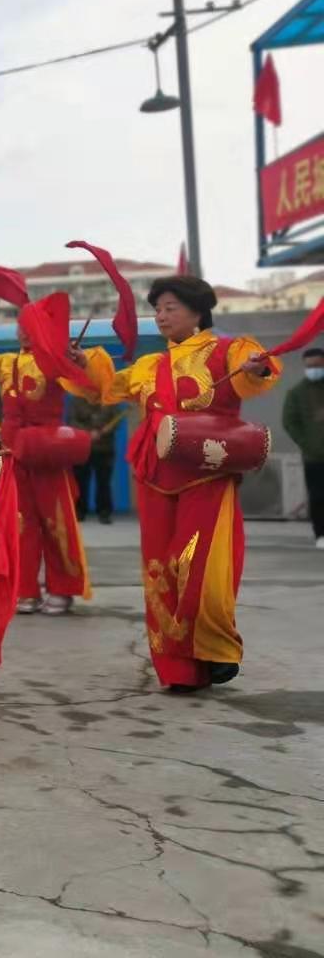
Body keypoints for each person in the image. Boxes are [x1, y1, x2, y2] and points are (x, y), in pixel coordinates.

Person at [77, 274, 278, 692]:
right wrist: (84, 364)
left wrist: (257, 366)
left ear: (197, 312)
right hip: (155, 470)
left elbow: (256, 369)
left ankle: (215, 649)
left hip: (207, 470)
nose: (161, 316)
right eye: (158, 309)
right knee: (159, 569)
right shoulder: (150, 365)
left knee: (202, 564)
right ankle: (178, 669)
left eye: (171, 308)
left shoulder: (225, 350)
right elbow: (107, 388)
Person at [0, 307, 94, 616]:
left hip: (47, 454)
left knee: (56, 524)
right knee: (19, 526)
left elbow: (85, 385)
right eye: (21, 325)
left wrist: (78, 361)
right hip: (14, 456)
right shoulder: (7, 363)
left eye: (32, 326)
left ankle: (63, 589)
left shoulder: (55, 362)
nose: (24, 331)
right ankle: (24, 590)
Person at [282, 347, 324, 550]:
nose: (313, 369)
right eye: (309, 366)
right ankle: (321, 534)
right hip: (314, 457)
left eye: (317, 365)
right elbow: (289, 422)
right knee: (318, 496)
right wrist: (307, 444)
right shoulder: (296, 393)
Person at [69, 395, 120, 525]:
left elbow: (116, 420)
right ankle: (79, 511)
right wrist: (88, 433)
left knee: (104, 482)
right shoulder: (77, 399)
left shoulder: (110, 400)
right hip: (82, 448)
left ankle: (104, 512)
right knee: (80, 481)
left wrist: (102, 431)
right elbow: (72, 421)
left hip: (105, 448)